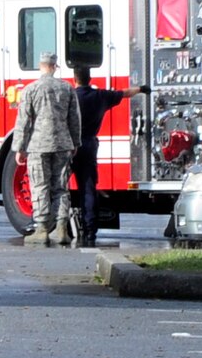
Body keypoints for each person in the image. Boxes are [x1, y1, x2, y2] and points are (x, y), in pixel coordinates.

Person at [69, 66, 148, 248]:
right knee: (88, 188)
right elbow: (124, 93)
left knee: (60, 188)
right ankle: (90, 230)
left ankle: (58, 226)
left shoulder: (70, 97)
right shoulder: (100, 96)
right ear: (90, 78)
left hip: (70, 146)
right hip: (89, 145)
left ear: (75, 79)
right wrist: (142, 89)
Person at [14, 51, 82, 246]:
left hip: (38, 145)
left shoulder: (31, 89)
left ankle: (42, 228)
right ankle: (61, 229)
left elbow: (24, 121)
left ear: (40, 65)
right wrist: (75, 142)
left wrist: (20, 147)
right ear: (55, 66)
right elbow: (74, 119)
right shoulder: (67, 88)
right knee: (61, 186)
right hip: (62, 144)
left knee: (40, 185)